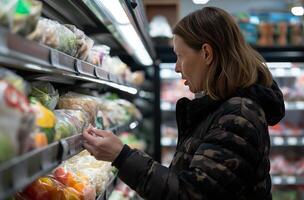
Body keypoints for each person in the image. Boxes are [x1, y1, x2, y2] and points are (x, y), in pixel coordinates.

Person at [83, 7, 285, 200]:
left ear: (206, 53)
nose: (177, 68)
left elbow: (192, 194)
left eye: (180, 56)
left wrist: (123, 156)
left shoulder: (239, 115)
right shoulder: (221, 108)